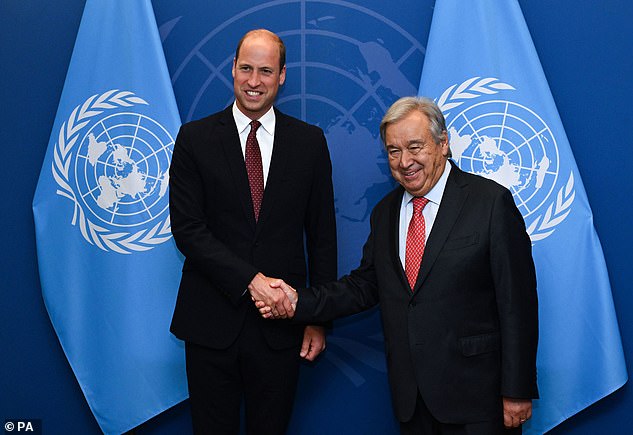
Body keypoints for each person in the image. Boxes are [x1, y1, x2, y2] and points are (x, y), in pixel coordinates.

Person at [258, 97, 538, 434]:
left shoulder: (490, 203)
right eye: (393, 151)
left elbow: (517, 304)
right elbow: (364, 286)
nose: (405, 161)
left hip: (479, 402)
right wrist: (297, 302)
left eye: (415, 147)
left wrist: (517, 389)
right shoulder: (386, 212)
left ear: (443, 143)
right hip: (412, 403)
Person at [169, 29, 337, 434]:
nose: (253, 81)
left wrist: (318, 317)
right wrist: (251, 281)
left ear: (281, 76)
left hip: (282, 328)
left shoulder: (309, 143)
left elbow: (322, 236)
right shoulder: (194, 139)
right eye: (246, 68)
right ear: (232, 70)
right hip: (210, 324)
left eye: (265, 70)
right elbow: (189, 230)